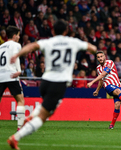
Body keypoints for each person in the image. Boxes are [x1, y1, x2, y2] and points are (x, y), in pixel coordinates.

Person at [7, 20, 97, 150]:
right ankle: (16, 138)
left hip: (45, 82)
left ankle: (31, 116)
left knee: (52, 105)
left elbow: (31, 46)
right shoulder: (73, 42)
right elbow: (93, 48)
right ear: (66, 31)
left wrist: (17, 55)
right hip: (58, 84)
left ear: (53, 31)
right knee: (43, 117)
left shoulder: (47, 42)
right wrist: (95, 53)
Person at [87, 51, 121, 129]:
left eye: (101, 56)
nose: (100, 58)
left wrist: (92, 82)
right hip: (108, 86)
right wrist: (97, 89)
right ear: (97, 59)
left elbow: (103, 74)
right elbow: (101, 80)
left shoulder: (109, 62)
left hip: (118, 85)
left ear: (104, 57)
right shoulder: (98, 68)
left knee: (117, 105)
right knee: (118, 92)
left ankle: (112, 125)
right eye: (98, 57)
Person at [0, 26, 25, 131]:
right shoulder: (16, 45)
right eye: (18, 35)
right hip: (11, 75)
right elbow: (16, 56)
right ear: (14, 36)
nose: (19, 37)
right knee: (20, 100)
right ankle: (20, 126)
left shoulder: (0, 47)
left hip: (0, 76)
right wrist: (18, 70)